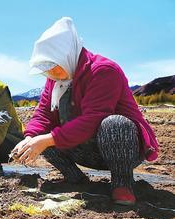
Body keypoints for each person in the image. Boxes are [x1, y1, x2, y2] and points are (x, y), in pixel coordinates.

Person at [12, 17, 158, 206]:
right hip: (84, 148)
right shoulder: (56, 80)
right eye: (47, 70)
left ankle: (122, 183)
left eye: (54, 67)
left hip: (121, 148)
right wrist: (30, 137)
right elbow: (44, 114)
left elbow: (93, 119)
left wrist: (47, 140)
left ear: (67, 55)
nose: (52, 74)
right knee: (39, 137)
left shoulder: (103, 71)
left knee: (115, 124)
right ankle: (75, 179)